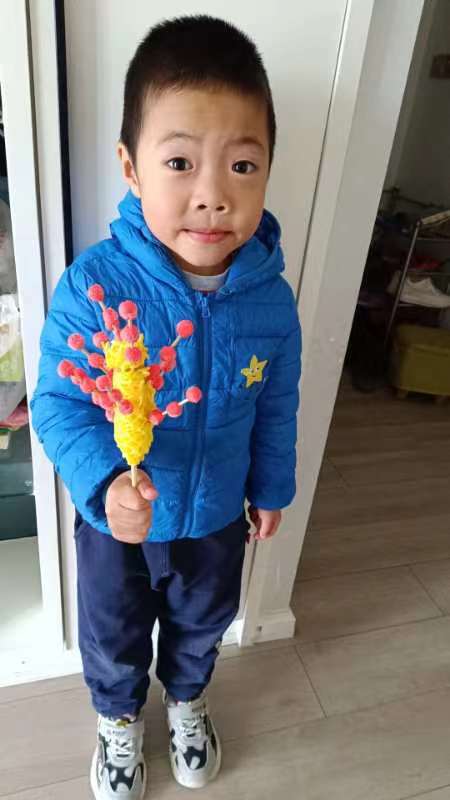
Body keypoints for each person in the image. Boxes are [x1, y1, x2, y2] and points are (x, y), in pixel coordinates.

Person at [31, 14, 301, 800]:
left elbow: (277, 404)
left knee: (203, 621)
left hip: (215, 514)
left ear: (269, 168)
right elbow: (57, 404)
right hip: (117, 521)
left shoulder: (271, 301)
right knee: (112, 633)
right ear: (130, 165)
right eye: (180, 162)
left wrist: (271, 487)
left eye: (243, 165)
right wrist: (103, 483)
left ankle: (186, 699)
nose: (213, 196)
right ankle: (118, 716)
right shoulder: (95, 286)